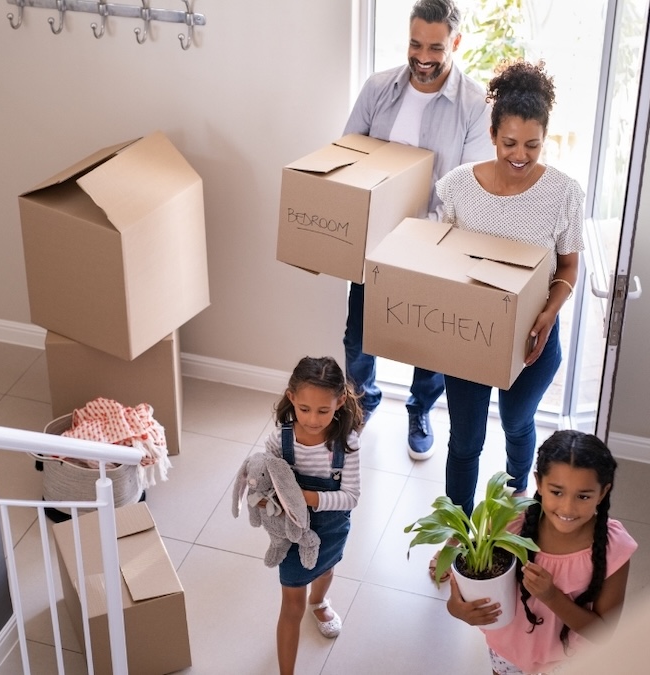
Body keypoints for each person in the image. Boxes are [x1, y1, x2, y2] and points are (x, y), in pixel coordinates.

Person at [343, 0, 494, 461]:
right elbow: (347, 155)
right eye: (415, 44)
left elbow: (469, 188)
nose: (423, 57)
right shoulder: (378, 88)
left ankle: (420, 409)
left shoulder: (474, 105)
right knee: (358, 336)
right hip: (373, 241)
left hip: (434, 244)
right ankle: (361, 404)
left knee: (429, 343)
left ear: (456, 42)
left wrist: (419, 234)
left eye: (435, 47)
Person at [435, 59, 585, 516]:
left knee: (518, 422)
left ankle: (517, 498)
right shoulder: (457, 187)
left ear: (545, 139)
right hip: (469, 335)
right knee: (465, 440)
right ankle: (457, 530)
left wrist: (549, 313)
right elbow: (440, 258)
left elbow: (569, 266)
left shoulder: (563, 193)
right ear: (492, 134)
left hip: (533, 337)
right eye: (510, 143)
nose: (520, 155)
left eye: (532, 145)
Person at [447, 430, 637, 674]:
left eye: (583, 496)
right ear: (538, 482)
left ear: (602, 492)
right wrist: (457, 608)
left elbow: (604, 633)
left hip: (569, 661)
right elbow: (468, 585)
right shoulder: (509, 525)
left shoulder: (614, 549)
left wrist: (552, 597)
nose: (567, 507)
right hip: (507, 650)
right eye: (557, 492)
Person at [263, 356, 363, 675]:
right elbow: (265, 481)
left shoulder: (346, 444)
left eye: (323, 410)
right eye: (304, 409)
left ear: (340, 402)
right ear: (291, 398)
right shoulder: (279, 441)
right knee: (291, 606)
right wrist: (266, 501)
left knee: (326, 570)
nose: (312, 419)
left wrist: (305, 497)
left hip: (331, 528)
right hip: (292, 533)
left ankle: (318, 602)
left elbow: (351, 497)